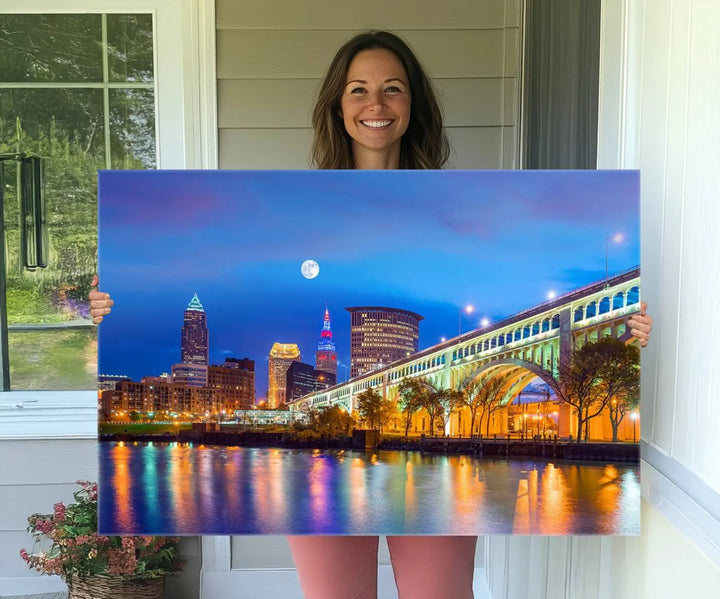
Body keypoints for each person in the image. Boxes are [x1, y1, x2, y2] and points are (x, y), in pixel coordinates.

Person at [90, 31, 653, 599]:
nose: (375, 105)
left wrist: (635, 334)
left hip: (429, 476)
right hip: (336, 481)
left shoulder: (456, 202)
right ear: (339, 105)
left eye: (392, 90)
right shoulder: (297, 205)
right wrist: (106, 306)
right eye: (358, 90)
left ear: (413, 106)